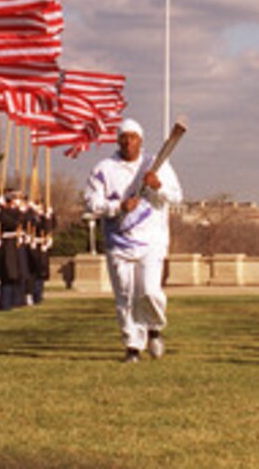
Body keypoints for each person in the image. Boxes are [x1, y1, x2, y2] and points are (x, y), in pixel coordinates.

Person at [83, 119, 182, 363]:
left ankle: (154, 329)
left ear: (141, 140)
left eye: (133, 137)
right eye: (124, 138)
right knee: (125, 295)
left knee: (149, 291)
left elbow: (177, 197)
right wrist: (117, 207)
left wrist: (157, 186)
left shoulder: (156, 165)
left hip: (152, 240)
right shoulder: (104, 168)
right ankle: (132, 347)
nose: (128, 142)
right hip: (118, 241)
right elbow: (90, 201)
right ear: (118, 141)